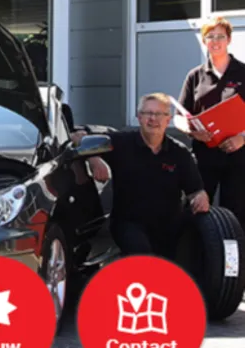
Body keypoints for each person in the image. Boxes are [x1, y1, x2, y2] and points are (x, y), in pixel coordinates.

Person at [72, 93, 210, 259]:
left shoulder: (180, 153)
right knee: (143, 256)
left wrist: (200, 197)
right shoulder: (121, 143)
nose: (153, 119)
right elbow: (77, 136)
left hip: (168, 228)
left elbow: (195, 191)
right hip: (128, 224)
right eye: (147, 113)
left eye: (159, 114)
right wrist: (94, 159)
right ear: (139, 117)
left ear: (168, 119)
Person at [174, 15, 245, 232]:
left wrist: (242, 138)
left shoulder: (243, 72)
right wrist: (192, 131)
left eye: (220, 36)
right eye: (210, 36)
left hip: (238, 155)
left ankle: (234, 253)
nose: (215, 41)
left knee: (237, 212)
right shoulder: (195, 76)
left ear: (229, 40)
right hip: (204, 154)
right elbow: (179, 117)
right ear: (204, 41)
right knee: (196, 207)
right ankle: (196, 250)